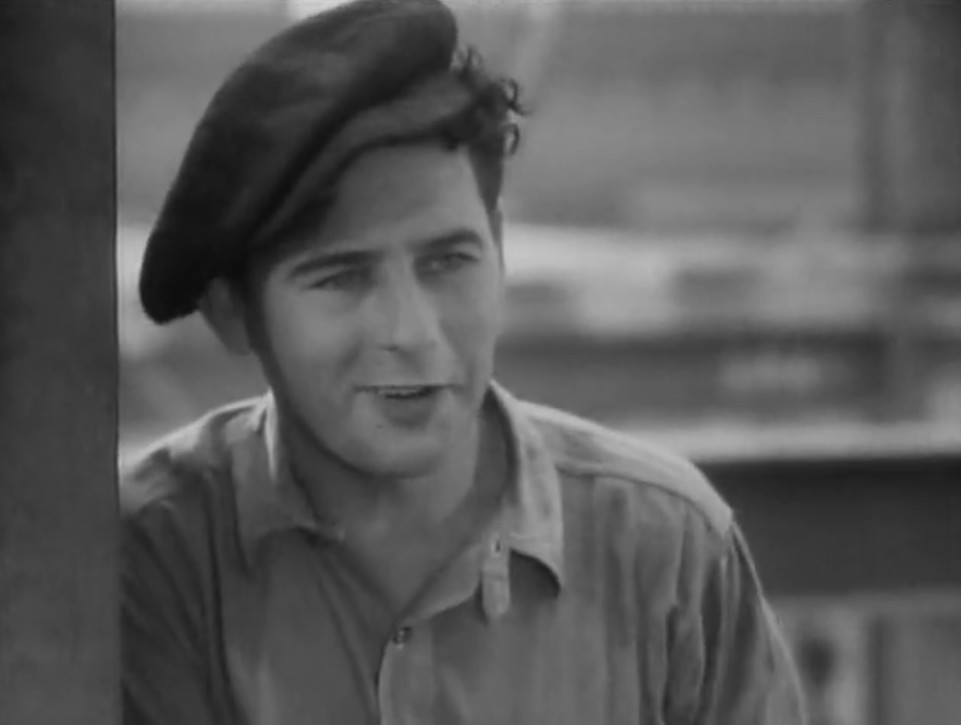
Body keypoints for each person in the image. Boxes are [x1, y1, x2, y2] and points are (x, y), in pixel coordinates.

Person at [121, 1, 806, 723]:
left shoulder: (667, 550)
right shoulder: (149, 560)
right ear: (233, 312)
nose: (413, 331)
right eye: (342, 277)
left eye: (447, 261)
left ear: (499, 249)